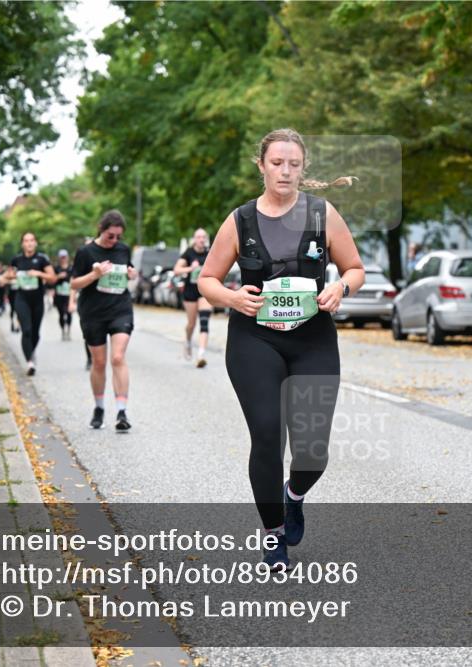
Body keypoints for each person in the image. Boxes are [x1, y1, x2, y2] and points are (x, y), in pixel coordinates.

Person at [198, 128, 365, 571]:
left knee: (312, 451)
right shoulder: (240, 221)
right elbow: (207, 279)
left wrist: (340, 287)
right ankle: (273, 536)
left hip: (312, 338)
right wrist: (232, 298)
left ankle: (294, 495)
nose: (285, 171)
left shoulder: (322, 214)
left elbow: (354, 268)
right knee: (269, 434)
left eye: (293, 164)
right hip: (256, 337)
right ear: (262, 165)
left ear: (302, 167)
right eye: (277, 163)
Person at [70, 211, 138, 431]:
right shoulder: (86, 252)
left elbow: (127, 271)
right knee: (99, 362)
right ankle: (99, 407)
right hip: (93, 313)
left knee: (118, 357)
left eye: (118, 236)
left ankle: (121, 412)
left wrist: (131, 274)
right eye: (111, 236)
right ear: (101, 229)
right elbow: (74, 284)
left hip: (120, 309)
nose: (115, 241)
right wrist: (94, 275)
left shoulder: (123, 249)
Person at [3, 232, 56, 375]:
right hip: (21, 298)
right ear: (22, 244)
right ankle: (30, 362)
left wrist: (39, 274)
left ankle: (30, 353)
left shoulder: (42, 259)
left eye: (32, 240)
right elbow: (7, 276)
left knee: (35, 334)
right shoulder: (17, 260)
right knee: (26, 330)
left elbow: (53, 278)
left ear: (36, 243)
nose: (29, 243)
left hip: (38, 299)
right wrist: (10, 276)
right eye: (26, 241)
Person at [173, 228, 212, 367]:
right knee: (191, 324)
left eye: (203, 237)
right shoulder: (189, 253)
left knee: (204, 321)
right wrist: (190, 268)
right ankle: (188, 341)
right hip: (190, 292)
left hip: (204, 292)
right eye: (199, 237)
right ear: (194, 239)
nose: (201, 239)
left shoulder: (210, 253)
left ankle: (201, 354)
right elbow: (176, 270)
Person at [53, 249, 73, 340]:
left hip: (69, 294)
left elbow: (76, 279)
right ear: (59, 258)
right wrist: (58, 276)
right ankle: (63, 331)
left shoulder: (72, 268)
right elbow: (51, 281)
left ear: (67, 257)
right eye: (62, 257)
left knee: (69, 313)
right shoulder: (56, 268)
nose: (63, 259)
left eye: (65, 257)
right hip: (59, 295)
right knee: (61, 314)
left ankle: (68, 330)